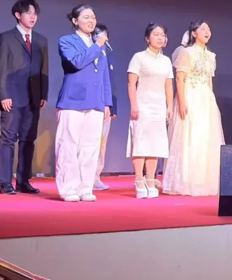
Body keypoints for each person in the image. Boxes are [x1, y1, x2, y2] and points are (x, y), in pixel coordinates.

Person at [55, 4, 112, 202]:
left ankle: (85, 187)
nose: (91, 21)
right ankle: (68, 188)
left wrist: (107, 102)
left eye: (93, 17)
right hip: (73, 100)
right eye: (86, 17)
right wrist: (97, 46)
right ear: (75, 20)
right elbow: (77, 62)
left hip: (96, 101)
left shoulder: (99, 45)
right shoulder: (67, 41)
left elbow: (104, 75)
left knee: (90, 146)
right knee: (68, 145)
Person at [162, 21, 225, 196]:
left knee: (206, 137)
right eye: (203, 28)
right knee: (189, 135)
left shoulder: (211, 56)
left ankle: (204, 180)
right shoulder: (186, 52)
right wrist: (182, 102)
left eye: (209, 29)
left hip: (205, 98)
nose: (207, 31)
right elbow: (179, 78)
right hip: (190, 95)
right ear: (193, 33)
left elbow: (209, 80)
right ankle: (185, 180)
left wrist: (211, 101)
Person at [0, 0, 48, 195]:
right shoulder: (5, 38)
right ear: (18, 15)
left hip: (33, 98)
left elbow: (44, 69)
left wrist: (43, 94)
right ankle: (5, 182)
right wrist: (4, 94)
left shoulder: (41, 40)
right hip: (11, 97)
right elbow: (1, 69)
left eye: (35, 13)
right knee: (8, 139)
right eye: (28, 13)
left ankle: (23, 181)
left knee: (28, 139)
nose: (33, 17)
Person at [127, 23, 174, 199]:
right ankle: (139, 179)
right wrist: (134, 105)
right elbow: (131, 83)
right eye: (156, 34)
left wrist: (170, 106)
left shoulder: (166, 60)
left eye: (162, 35)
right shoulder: (138, 57)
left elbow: (168, 85)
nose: (160, 38)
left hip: (158, 106)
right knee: (140, 141)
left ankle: (150, 179)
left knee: (155, 143)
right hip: (142, 104)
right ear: (147, 38)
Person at [93, 23, 116, 191]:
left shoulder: (109, 54)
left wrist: (112, 105)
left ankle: (96, 176)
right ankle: (86, 177)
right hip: (91, 104)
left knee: (102, 142)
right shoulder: (91, 51)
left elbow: (111, 82)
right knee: (90, 142)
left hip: (105, 105)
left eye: (104, 34)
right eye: (99, 34)